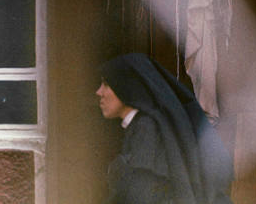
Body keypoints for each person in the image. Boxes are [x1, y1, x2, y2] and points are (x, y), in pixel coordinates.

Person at [96, 53, 233, 204]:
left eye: (106, 84)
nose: (99, 92)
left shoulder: (147, 128)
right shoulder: (141, 124)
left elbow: (142, 194)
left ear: (126, 86)